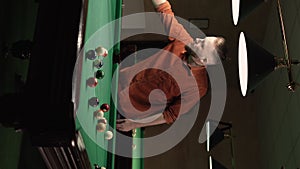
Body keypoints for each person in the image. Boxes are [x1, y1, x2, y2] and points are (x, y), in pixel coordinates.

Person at [116, 0, 227, 132]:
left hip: (123, 110)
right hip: (117, 78)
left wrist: (134, 124)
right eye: (203, 38)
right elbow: (165, 10)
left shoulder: (199, 87)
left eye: (202, 45)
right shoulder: (184, 41)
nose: (198, 40)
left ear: (204, 60)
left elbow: (170, 114)